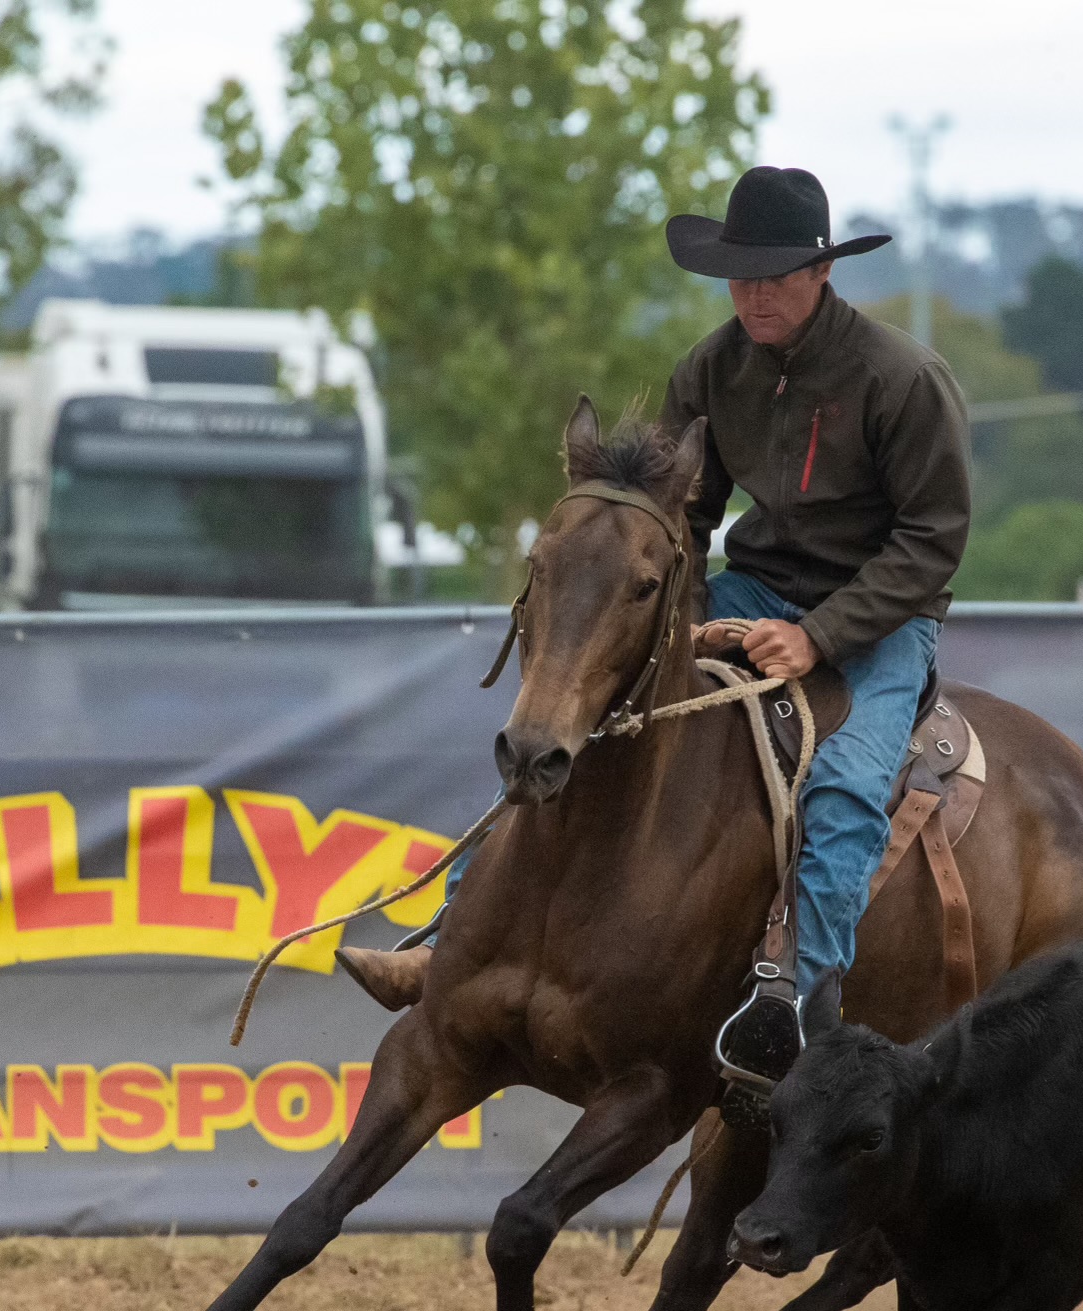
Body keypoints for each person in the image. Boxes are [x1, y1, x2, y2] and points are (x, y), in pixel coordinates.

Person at [337, 166, 971, 1022]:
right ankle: (449, 940)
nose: (752, 296)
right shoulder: (710, 368)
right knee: (567, 724)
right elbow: (679, 518)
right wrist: (690, 615)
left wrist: (819, 636)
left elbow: (932, 539)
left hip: (883, 622)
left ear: (823, 271)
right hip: (753, 587)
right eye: (739, 277)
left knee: (847, 790)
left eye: (774, 276)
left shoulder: (904, 378)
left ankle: (790, 999)